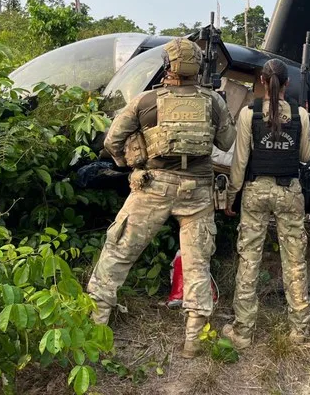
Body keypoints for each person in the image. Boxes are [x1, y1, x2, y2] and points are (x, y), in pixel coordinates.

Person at [88, 37, 235, 358]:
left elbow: (113, 140)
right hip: (197, 190)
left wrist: (129, 163)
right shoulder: (212, 102)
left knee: (119, 251)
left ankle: (96, 327)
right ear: (197, 68)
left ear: (167, 67)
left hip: (151, 185)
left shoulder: (145, 101)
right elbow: (227, 141)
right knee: (197, 263)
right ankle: (192, 341)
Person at [221, 58, 310, 348]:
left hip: (255, 191)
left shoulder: (249, 114)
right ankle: (299, 331)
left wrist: (231, 195)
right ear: (286, 84)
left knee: (249, 259)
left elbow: (240, 161)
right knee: (295, 261)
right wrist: (304, 126)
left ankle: (243, 331)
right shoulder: (300, 115)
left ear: (262, 82)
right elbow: (307, 156)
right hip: (289, 192)